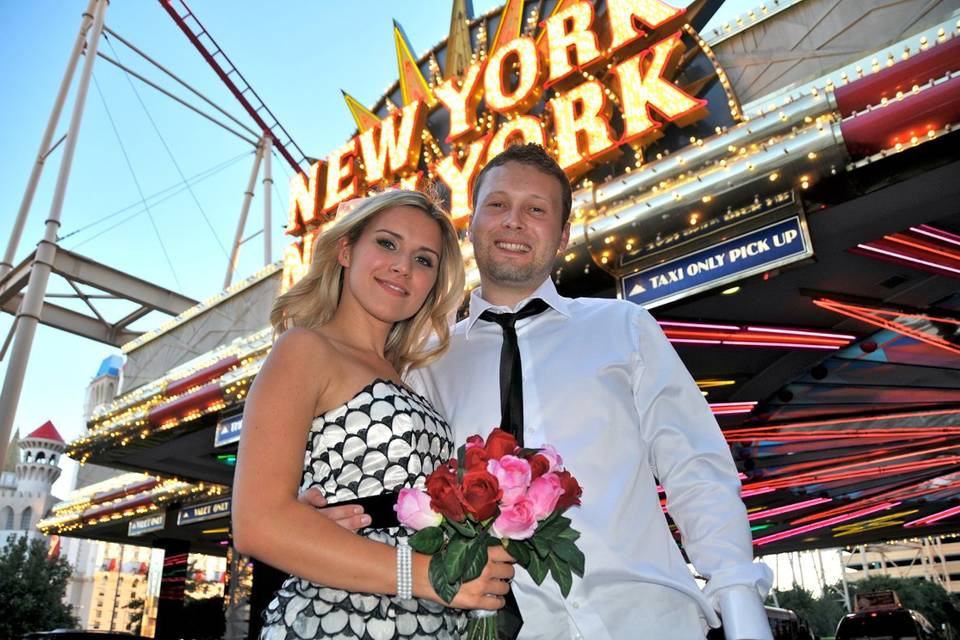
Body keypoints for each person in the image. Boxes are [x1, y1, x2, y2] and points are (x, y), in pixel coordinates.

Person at [307, 145, 773, 639]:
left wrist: (740, 602)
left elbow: (694, 468)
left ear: (563, 236)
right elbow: (396, 478)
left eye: (536, 209)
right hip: (487, 626)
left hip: (646, 615)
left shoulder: (625, 327)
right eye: (497, 204)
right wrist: (325, 513)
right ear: (471, 226)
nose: (514, 221)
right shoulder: (425, 359)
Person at [232, 189, 516, 640]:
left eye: (424, 260)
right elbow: (257, 523)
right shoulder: (305, 348)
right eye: (387, 244)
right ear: (346, 250)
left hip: (432, 621)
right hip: (339, 617)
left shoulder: (409, 376)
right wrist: (428, 577)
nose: (403, 266)